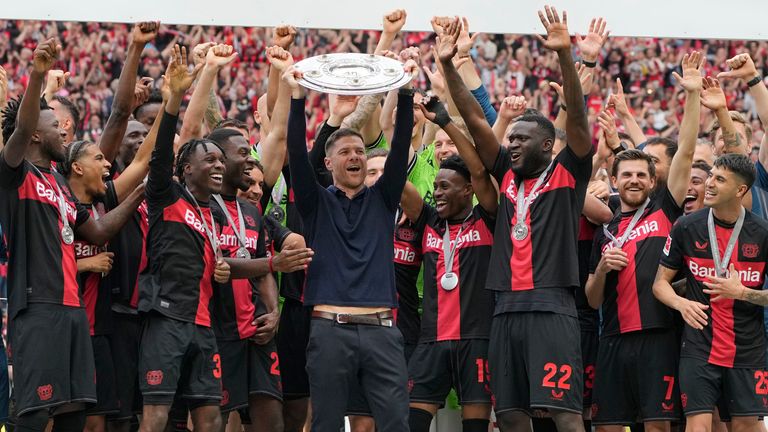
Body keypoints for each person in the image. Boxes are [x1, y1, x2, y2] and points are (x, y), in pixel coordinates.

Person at [440, 10, 593, 431]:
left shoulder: (568, 172)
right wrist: (447, 65)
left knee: (564, 413)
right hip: (504, 307)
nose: (512, 146)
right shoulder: (506, 173)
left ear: (548, 144)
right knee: (508, 414)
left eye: (521, 139)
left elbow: (578, 117)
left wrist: (565, 54)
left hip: (551, 306)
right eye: (511, 140)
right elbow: (473, 119)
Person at [0, 38, 143, 432]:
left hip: (73, 310)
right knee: (32, 416)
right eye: (54, 128)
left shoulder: (60, 185)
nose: (65, 134)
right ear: (32, 135)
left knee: (74, 414)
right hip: (38, 307)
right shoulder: (16, 175)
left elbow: (97, 231)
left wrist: (143, 189)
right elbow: (23, 125)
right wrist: (37, 75)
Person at [283, 44, 416, 429]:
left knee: (394, 422)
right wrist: (296, 99)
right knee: (325, 422)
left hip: (382, 332)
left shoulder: (384, 198)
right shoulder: (314, 203)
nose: (355, 156)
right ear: (329, 163)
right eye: (346, 152)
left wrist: (405, 90)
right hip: (329, 330)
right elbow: (294, 150)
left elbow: (401, 143)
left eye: (360, 150)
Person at [584, 51, 702, 432]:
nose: (634, 180)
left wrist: (693, 95)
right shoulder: (605, 229)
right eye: (626, 175)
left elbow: (685, 150)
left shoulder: (665, 209)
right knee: (607, 427)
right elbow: (592, 298)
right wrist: (601, 268)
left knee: (658, 426)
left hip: (660, 338)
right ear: (614, 181)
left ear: (653, 181)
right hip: (614, 338)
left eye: (641, 175)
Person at [401, 92, 499, 432]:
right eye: (436, 187)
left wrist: (444, 121)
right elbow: (396, 179)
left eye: (446, 187)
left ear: (468, 190)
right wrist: (404, 109)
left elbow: (480, 171)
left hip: (478, 340)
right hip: (431, 340)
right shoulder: (428, 221)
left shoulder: (487, 219)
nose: (437, 193)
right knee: (412, 424)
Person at [653, 153, 768, 432]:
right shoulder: (686, 226)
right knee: (698, 426)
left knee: (746, 427)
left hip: (747, 348)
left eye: (719, 179)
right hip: (698, 345)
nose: (710, 184)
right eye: (711, 176)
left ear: (740, 190)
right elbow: (659, 284)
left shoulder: (762, 232)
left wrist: (742, 292)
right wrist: (680, 303)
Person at [206, 127, 283, 432]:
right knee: (214, 420)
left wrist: (274, 311)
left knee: (272, 421)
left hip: (258, 327)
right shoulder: (204, 208)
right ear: (219, 161)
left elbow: (262, 270)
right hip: (218, 329)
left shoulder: (252, 213)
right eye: (242, 155)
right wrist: (275, 262)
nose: (250, 162)